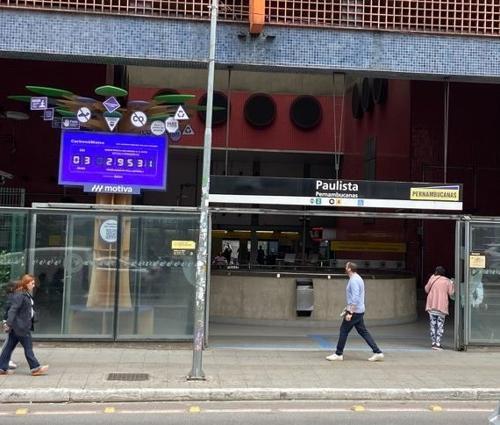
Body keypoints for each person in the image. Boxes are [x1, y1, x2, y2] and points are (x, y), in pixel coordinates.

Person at [326, 261, 384, 362]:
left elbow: (355, 297)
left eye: (346, 266)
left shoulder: (353, 280)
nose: (345, 268)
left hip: (355, 311)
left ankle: (338, 354)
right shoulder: (358, 278)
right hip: (359, 310)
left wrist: (350, 312)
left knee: (344, 331)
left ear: (349, 269)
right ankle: (377, 352)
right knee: (363, 332)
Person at [0, 274, 49, 376]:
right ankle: (35, 368)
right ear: (26, 283)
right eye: (32, 283)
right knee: (28, 348)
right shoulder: (20, 295)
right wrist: (8, 323)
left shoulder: (25, 294)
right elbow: (13, 310)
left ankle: (1, 368)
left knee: (8, 347)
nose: (34, 285)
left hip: (18, 327)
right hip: (21, 327)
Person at [424, 265, 455, 350]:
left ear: (436, 272)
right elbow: (451, 293)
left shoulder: (432, 278)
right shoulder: (447, 281)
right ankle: (438, 343)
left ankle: (433, 343)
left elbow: (426, 289)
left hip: (432, 305)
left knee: (433, 324)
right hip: (441, 306)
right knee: (440, 325)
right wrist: (453, 284)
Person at [1, 280, 19, 370]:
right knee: (9, 342)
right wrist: (6, 322)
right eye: (18, 287)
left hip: (11, 322)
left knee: (10, 342)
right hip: (10, 322)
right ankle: (4, 360)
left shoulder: (12, 296)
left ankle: (6, 359)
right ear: (13, 288)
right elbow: (8, 311)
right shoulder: (12, 298)